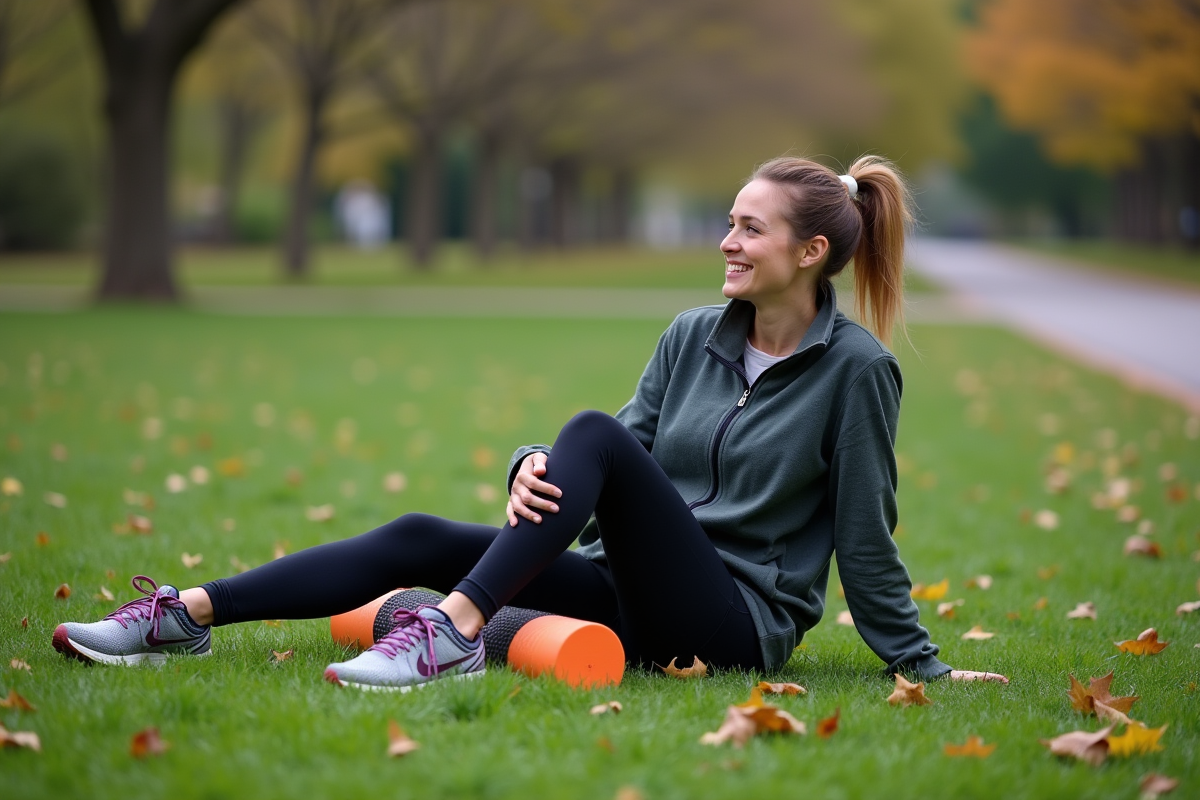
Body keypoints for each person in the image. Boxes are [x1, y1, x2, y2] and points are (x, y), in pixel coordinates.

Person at [53, 155, 1009, 691]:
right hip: (631, 590)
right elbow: (620, 458)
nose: (726, 241)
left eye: (749, 229)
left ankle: (452, 630)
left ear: (808, 252)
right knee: (422, 535)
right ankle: (184, 615)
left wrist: (921, 665)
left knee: (589, 431)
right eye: (728, 220)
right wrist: (530, 463)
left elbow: (863, 537)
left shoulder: (856, 372)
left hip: (731, 622)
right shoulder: (693, 335)